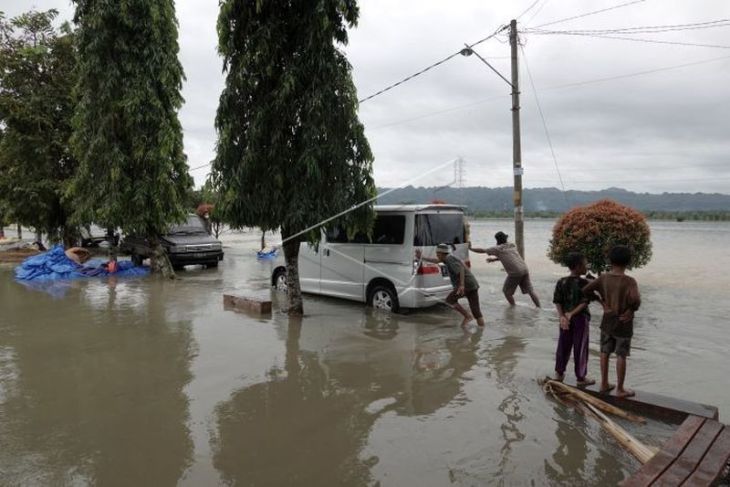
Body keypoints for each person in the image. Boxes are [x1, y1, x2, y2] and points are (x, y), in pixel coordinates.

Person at [582, 245, 641, 398]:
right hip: (623, 322)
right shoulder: (629, 281)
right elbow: (636, 299)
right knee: (621, 354)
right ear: (628, 262)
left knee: (604, 351)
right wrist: (631, 310)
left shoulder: (604, 278)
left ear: (610, 261)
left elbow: (586, 290)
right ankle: (620, 389)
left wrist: (603, 303)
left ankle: (604, 383)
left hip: (607, 321)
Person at [415, 243, 485, 327]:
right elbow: (436, 261)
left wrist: (462, 285)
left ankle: (467, 316)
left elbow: (461, 270)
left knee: (449, 300)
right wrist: (422, 257)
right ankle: (481, 329)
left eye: (437, 254)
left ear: (442, 253)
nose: (437, 255)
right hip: (472, 284)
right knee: (476, 311)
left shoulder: (449, 259)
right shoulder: (448, 258)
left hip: (466, 285)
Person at [552, 252, 596, 386]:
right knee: (580, 347)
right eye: (585, 264)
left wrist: (562, 317)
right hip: (580, 319)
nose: (587, 266)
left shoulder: (561, 281)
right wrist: (572, 314)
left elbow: (557, 301)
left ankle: (559, 374)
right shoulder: (584, 282)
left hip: (565, 319)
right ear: (577, 266)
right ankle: (581, 378)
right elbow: (585, 302)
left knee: (563, 346)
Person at [469, 231, 541, 307]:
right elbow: (508, 256)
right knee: (530, 291)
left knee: (506, 292)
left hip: (515, 272)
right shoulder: (512, 245)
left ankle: (513, 308)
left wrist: (470, 248)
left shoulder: (497, 249)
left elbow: (483, 250)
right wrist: (494, 260)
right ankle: (539, 307)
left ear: (497, 240)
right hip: (524, 269)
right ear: (505, 238)